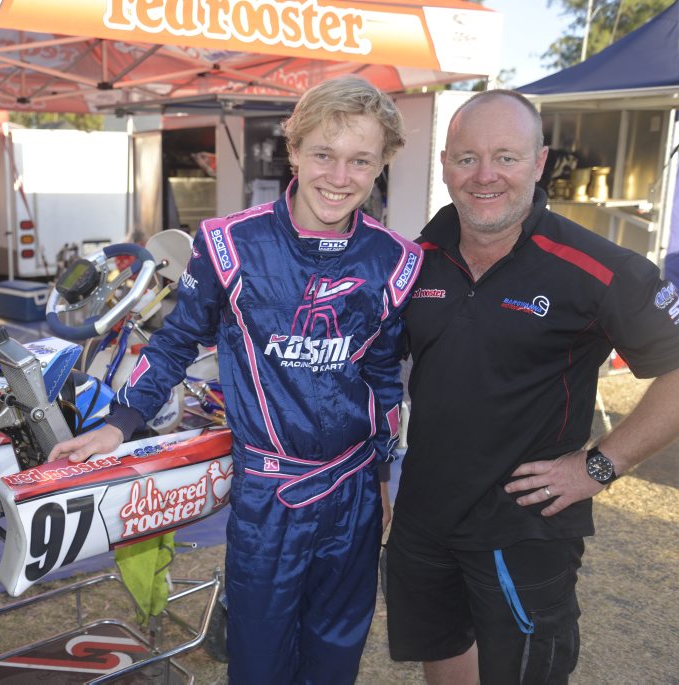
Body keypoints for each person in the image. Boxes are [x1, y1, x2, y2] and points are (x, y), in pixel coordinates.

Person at [49, 75, 423, 683]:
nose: (339, 176)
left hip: (353, 491)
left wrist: (382, 475)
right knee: (259, 660)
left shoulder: (396, 260)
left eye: (361, 160)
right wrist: (119, 423)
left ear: (383, 164)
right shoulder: (228, 243)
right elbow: (174, 342)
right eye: (324, 154)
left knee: (335, 656)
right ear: (294, 149)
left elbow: (383, 376)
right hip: (268, 496)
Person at [385, 89, 679, 684]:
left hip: (523, 526)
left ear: (539, 164)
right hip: (424, 516)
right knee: (444, 656)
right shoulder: (415, 258)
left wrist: (600, 466)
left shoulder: (593, 265)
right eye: (467, 158)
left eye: (506, 157)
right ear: (444, 165)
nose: (485, 175)